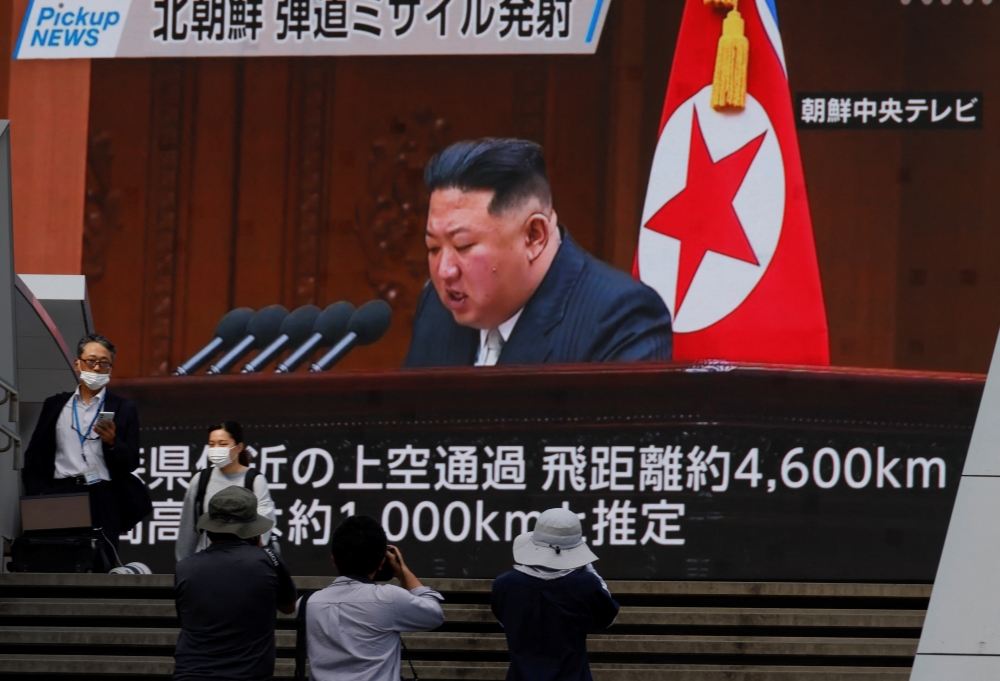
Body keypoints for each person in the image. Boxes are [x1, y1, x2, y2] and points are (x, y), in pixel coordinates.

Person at [404, 138, 673, 367]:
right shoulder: (436, 309)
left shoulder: (621, 320)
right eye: (433, 248)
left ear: (534, 236)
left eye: (463, 246)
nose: (445, 271)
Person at [22, 333, 152, 549]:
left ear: (110, 368)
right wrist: (40, 493)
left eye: (104, 363)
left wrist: (113, 442)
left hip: (103, 494)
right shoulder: (56, 404)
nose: (97, 368)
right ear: (77, 364)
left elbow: (131, 462)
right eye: (91, 361)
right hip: (61, 491)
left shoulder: (124, 408)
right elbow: (35, 454)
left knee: (102, 557)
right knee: (59, 555)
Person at [174, 486, 297, 681]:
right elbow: (289, 606)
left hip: (191, 675)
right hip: (249, 676)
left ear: (210, 528)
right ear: (252, 530)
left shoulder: (185, 568)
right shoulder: (268, 561)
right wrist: (262, 549)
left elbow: (186, 618)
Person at [304, 515, 445, 681]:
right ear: (381, 563)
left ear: (334, 560)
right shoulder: (389, 598)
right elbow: (434, 614)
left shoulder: (310, 603)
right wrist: (402, 570)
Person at [492, 508, 620, 681]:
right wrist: (589, 568)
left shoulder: (505, 584)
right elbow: (607, 619)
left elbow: (505, 622)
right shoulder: (586, 584)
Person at [175, 421, 276, 561]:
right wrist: (184, 565)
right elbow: (188, 528)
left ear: (239, 447)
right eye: (212, 444)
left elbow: (263, 526)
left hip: (244, 564)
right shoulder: (201, 480)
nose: (216, 449)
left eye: (222, 444)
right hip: (207, 564)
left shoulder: (254, 480)